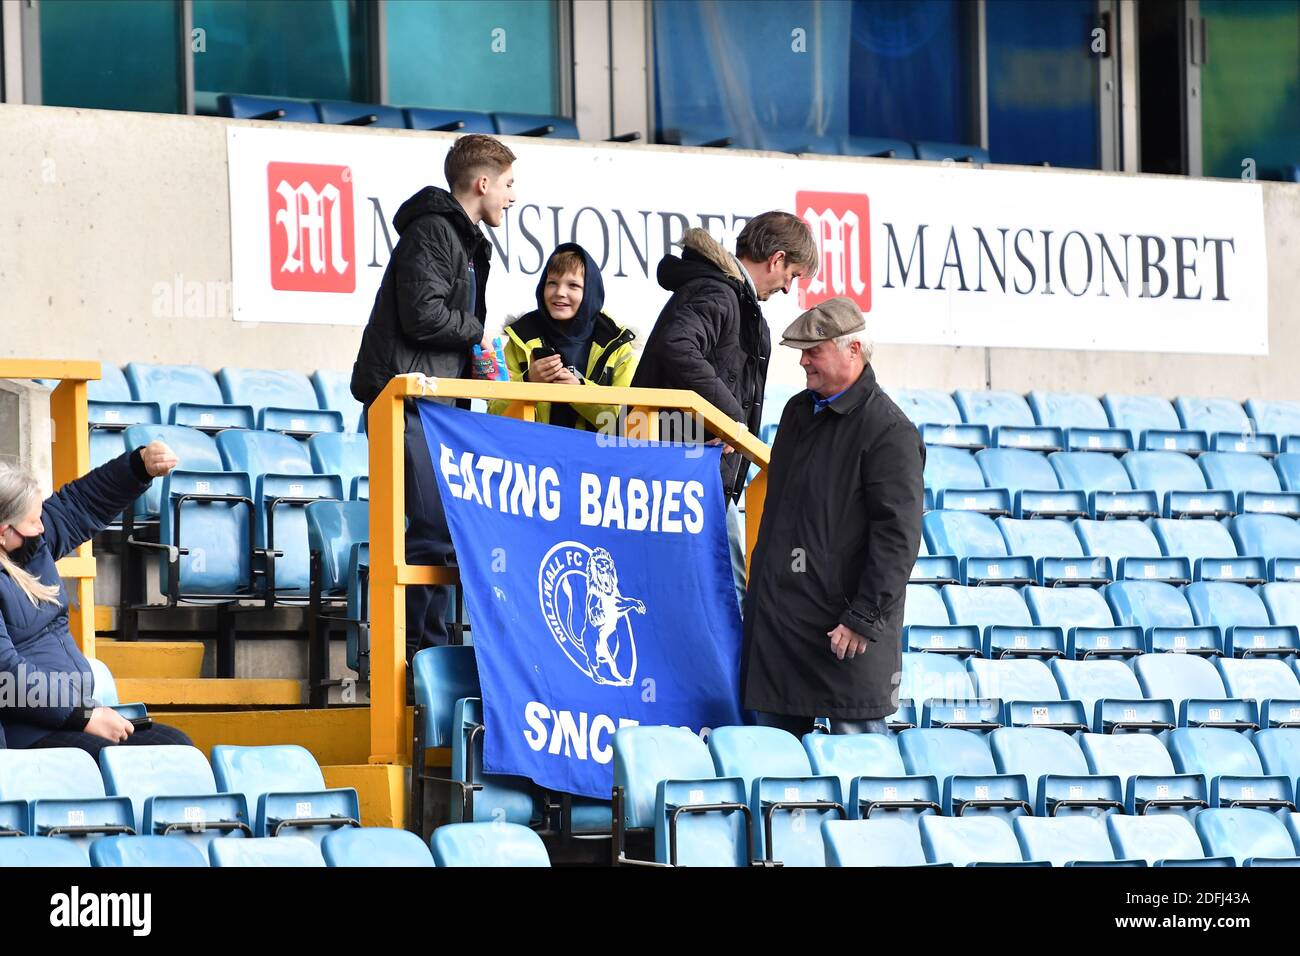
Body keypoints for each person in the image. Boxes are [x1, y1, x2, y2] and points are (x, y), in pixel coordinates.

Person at [350, 134, 517, 661]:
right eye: (509, 185)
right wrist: (475, 332)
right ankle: (419, 656)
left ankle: (429, 653)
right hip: (410, 403)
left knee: (442, 529)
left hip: (436, 404)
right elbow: (424, 316)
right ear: (482, 183)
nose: (513, 197)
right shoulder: (433, 233)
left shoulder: (462, 239)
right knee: (433, 527)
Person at [741, 296, 925, 737]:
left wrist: (861, 617)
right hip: (782, 636)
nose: (803, 361)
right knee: (777, 785)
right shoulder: (797, 412)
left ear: (852, 351)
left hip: (843, 637)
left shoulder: (890, 432)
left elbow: (897, 540)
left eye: (813, 351)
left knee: (858, 785)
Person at [631, 212, 818, 605]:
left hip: (697, 471)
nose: (789, 289)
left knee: (714, 589)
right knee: (727, 590)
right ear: (777, 259)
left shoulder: (730, 297)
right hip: (688, 472)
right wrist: (731, 418)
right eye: (793, 275)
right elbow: (677, 345)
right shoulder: (719, 294)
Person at [0, 443, 194, 756]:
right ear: (3, 532)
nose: (41, 527)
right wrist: (85, 716)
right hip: (25, 730)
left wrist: (138, 467)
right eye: (33, 522)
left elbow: (81, 504)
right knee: (120, 761)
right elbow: (5, 672)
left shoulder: (32, 544)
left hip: (66, 714)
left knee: (176, 747)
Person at [487, 243, 637, 430]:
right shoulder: (521, 338)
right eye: (552, 283)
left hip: (596, 457)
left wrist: (580, 393)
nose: (559, 293)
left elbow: (628, 421)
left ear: (590, 292)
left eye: (573, 285)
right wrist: (529, 382)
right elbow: (493, 414)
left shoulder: (618, 345)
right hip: (533, 456)